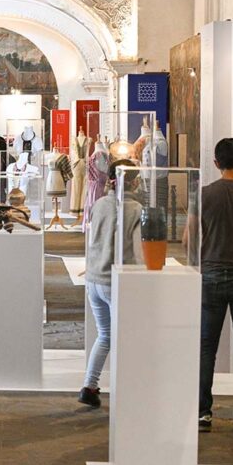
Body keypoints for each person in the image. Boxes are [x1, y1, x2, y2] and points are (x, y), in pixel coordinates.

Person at [79, 159, 143, 408]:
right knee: (125, 337)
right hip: (115, 281)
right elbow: (137, 251)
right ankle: (128, 389)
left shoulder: (99, 204)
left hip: (94, 278)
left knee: (105, 335)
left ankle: (89, 385)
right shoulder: (135, 209)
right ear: (136, 181)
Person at [198, 138, 233, 432]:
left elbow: (191, 239)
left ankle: (203, 412)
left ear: (216, 163)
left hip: (211, 274)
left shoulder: (205, 194)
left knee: (206, 347)